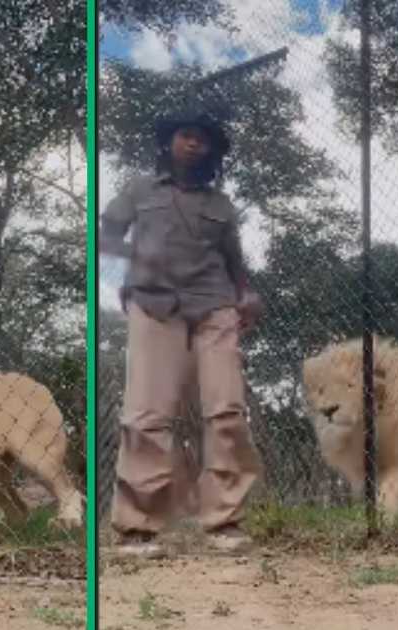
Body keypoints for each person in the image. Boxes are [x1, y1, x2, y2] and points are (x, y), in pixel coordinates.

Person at [101, 110, 264, 558]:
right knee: (147, 413)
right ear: (168, 143)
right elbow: (106, 234)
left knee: (227, 409)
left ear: (211, 153)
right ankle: (138, 528)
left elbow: (235, 263)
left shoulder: (221, 205)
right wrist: (140, 260)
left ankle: (224, 522)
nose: (194, 143)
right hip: (154, 306)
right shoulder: (138, 190)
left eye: (202, 140)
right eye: (185, 135)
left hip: (215, 307)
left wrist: (246, 294)